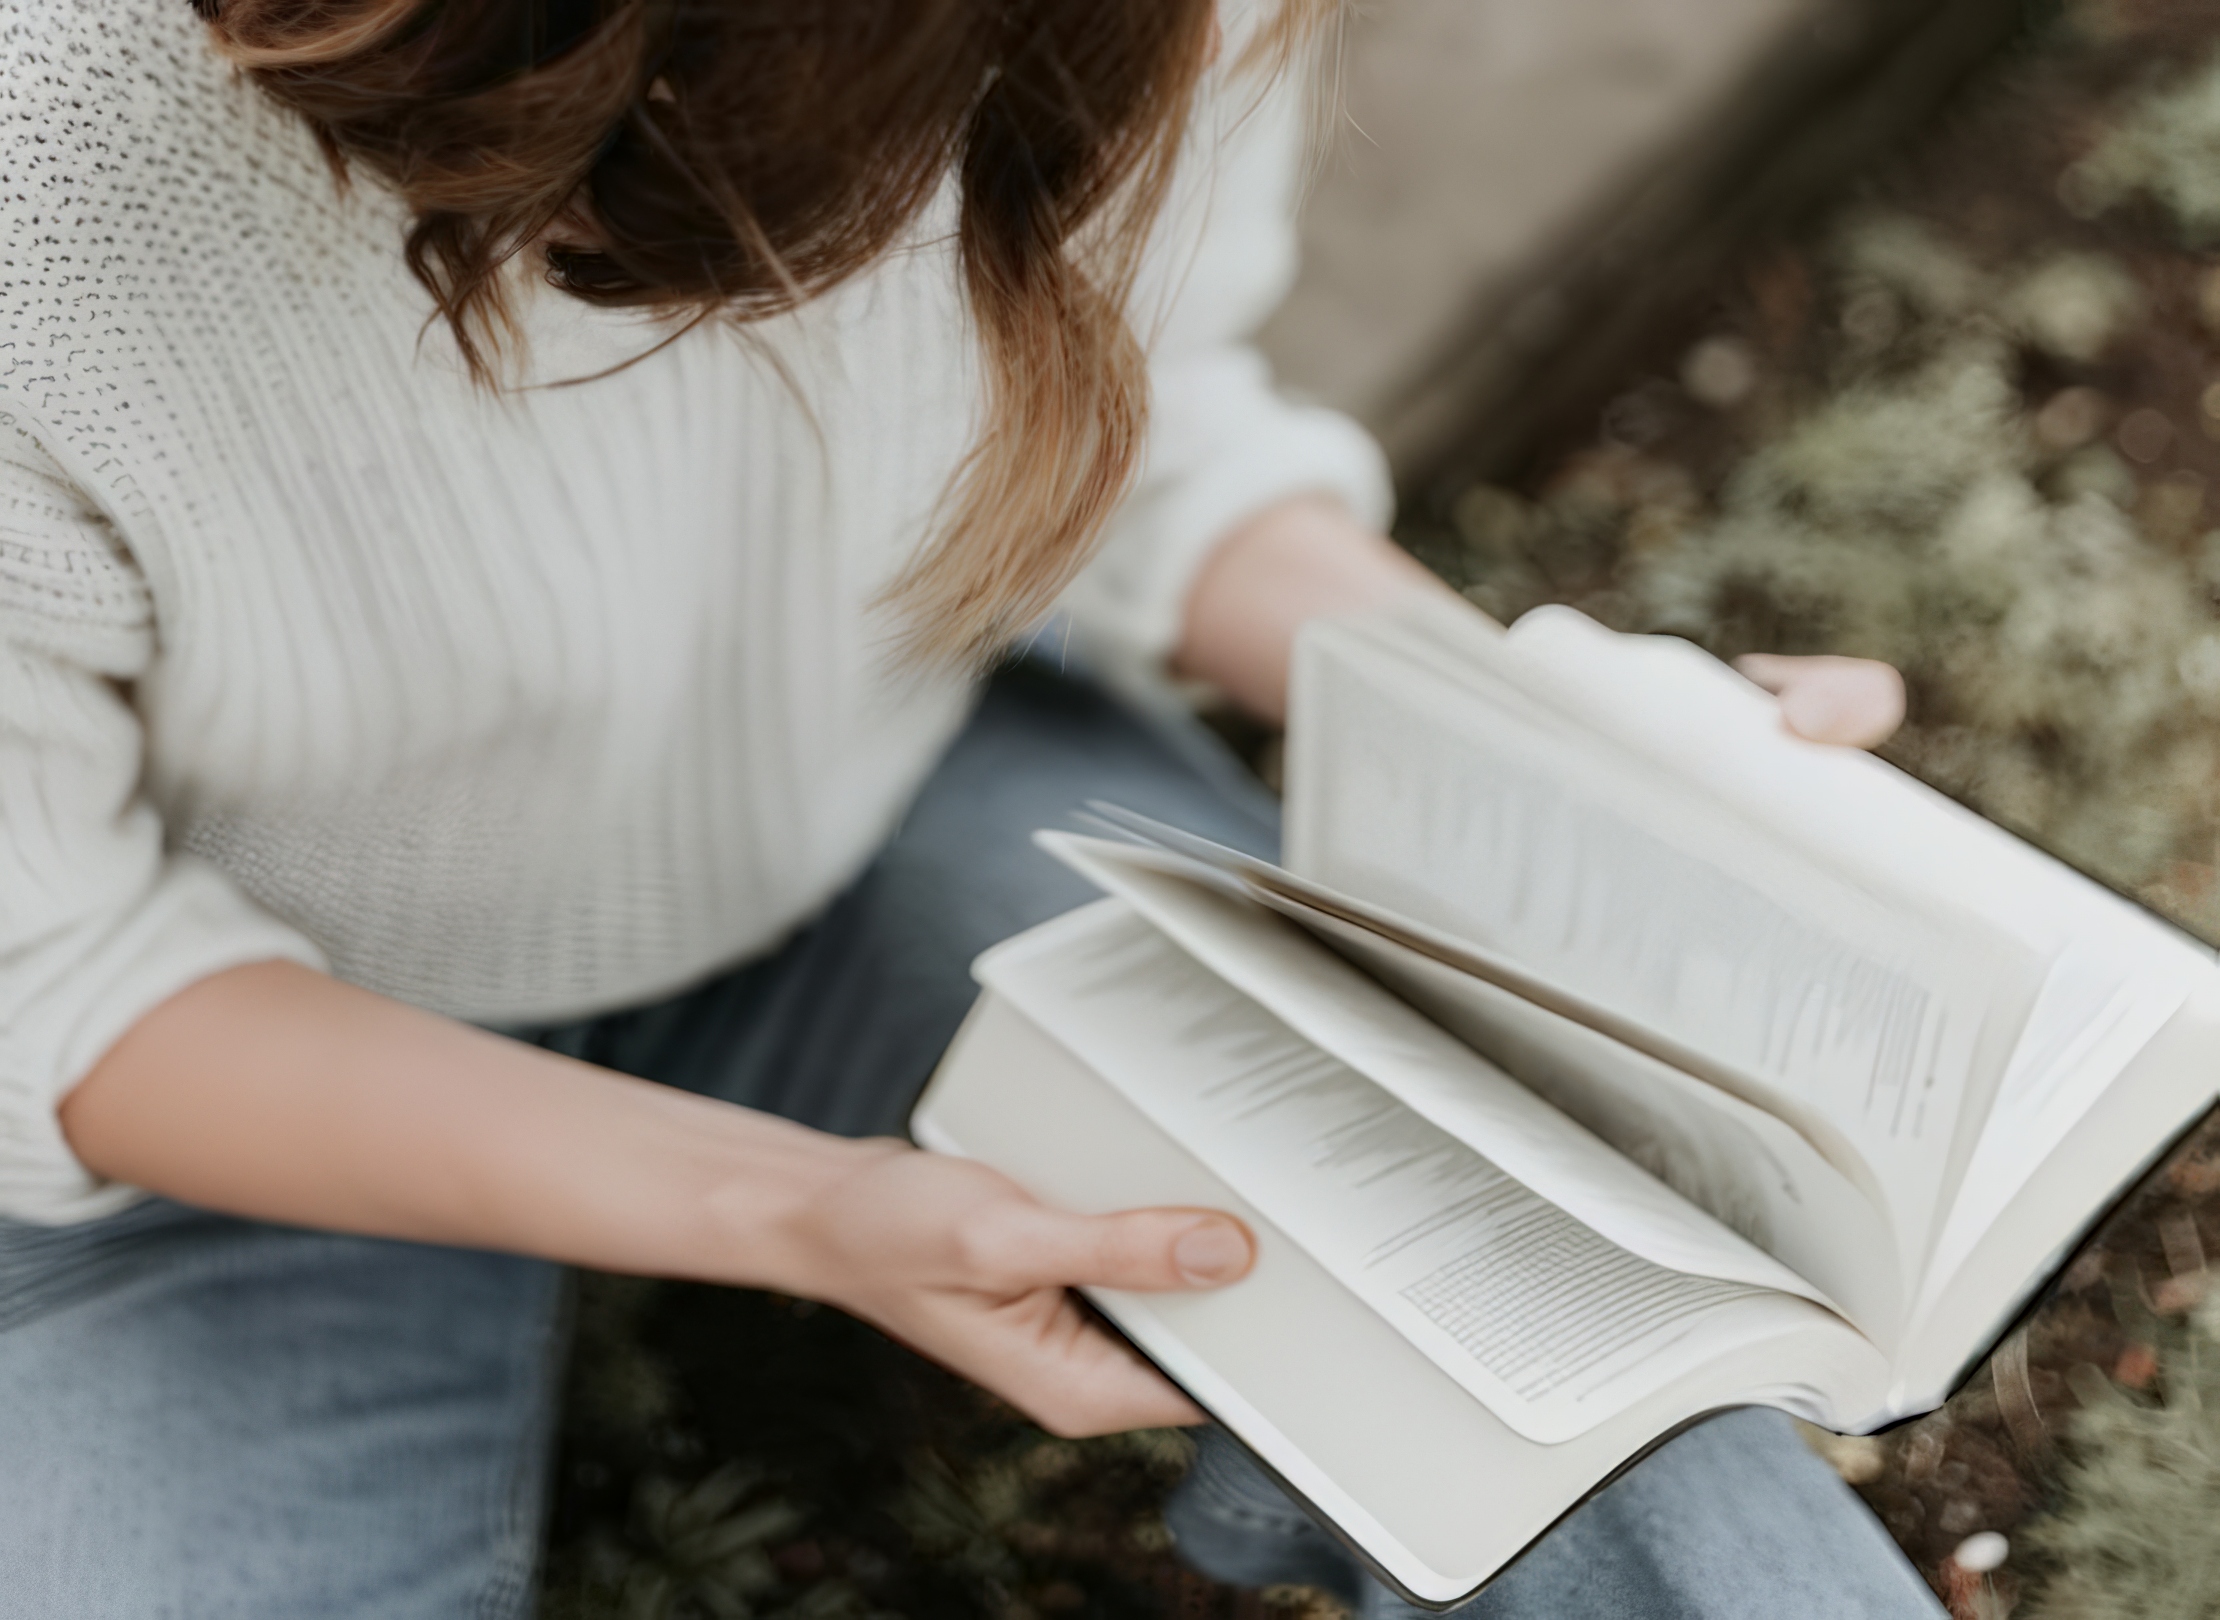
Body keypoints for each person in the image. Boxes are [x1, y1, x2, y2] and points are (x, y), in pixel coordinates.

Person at [0, 1, 1931, 1616]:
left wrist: (1551, 742)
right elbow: (53, 967)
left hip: (868, 810)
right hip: (179, 1090)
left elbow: (1136, 418)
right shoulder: (47, 147)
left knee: (1586, 1375)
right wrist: (809, 1211)